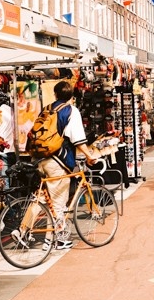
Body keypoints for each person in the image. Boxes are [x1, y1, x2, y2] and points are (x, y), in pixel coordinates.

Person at [12, 81, 97, 250]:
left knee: (42, 198)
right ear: (72, 96)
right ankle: (61, 239)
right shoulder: (71, 110)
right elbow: (78, 138)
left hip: (41, 159)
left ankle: (23, 230)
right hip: (58, 161)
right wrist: (89, 156)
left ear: (55, 94)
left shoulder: (47, 109)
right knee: (59, 202)